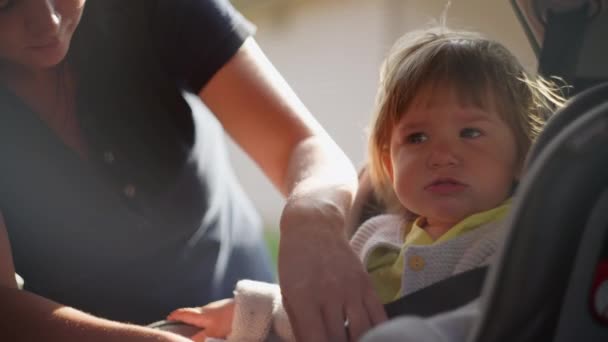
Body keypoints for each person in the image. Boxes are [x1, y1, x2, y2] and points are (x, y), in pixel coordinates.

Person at [0, 0, 385, 341]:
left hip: (251, 309)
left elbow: (303, 147)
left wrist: (311, 218)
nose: (47, 21)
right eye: (6, 6)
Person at [164, 26, 566, 341]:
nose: (441, 154)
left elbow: (505, 318)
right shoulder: (376, 236)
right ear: (389, 166)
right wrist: (251, 312)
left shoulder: (515, 237)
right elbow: (329, 313)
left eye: (470, 133)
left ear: (523, 156)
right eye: (417, 138)